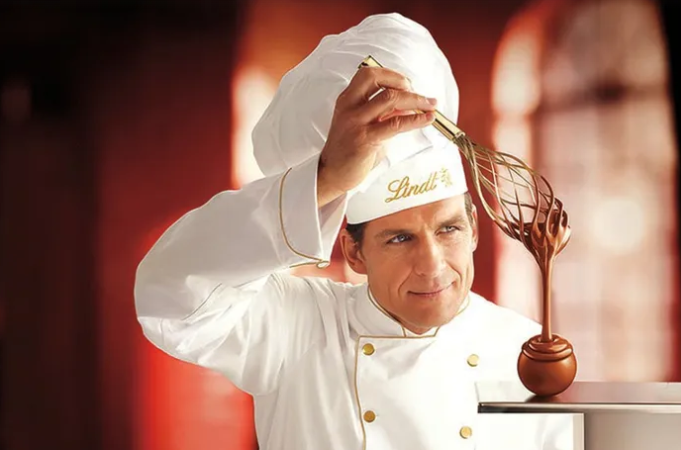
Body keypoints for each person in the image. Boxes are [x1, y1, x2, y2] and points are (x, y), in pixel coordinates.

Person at [134, 13, 575, 450]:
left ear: (475, 229)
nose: (432, 265)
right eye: (399, 238)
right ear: (355, 253)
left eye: (449, 229)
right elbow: (170, 294)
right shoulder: (298, 329)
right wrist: (325, 179)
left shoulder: (525, 351)